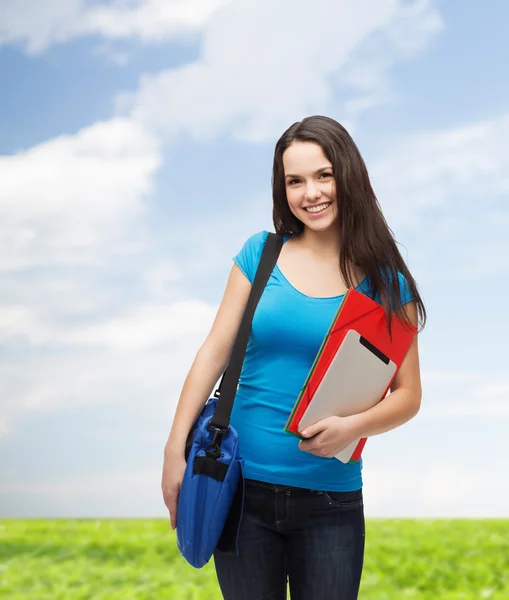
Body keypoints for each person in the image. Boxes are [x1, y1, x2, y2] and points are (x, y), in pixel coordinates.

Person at [162, 115, 426, 599]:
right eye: (295, 181)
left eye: (323, 175)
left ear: (348, 175)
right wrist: (173, 450)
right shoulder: (261, 254)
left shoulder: (388, 284)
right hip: (239, 489)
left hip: (331, 500)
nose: (311, 192)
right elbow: (212, 353)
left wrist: (353, 427)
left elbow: (408, 396)